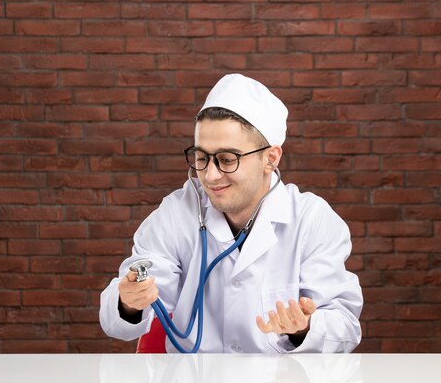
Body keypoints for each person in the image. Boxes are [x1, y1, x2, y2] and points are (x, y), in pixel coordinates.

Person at [99, 74, 363, 353]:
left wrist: (304, 328)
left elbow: (345, 327)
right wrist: (129, 301)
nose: (210, 176)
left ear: (270, 158)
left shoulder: (311, 219)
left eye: (227, 159)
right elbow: (118, 323)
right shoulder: (177, 212)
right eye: (202, 158)